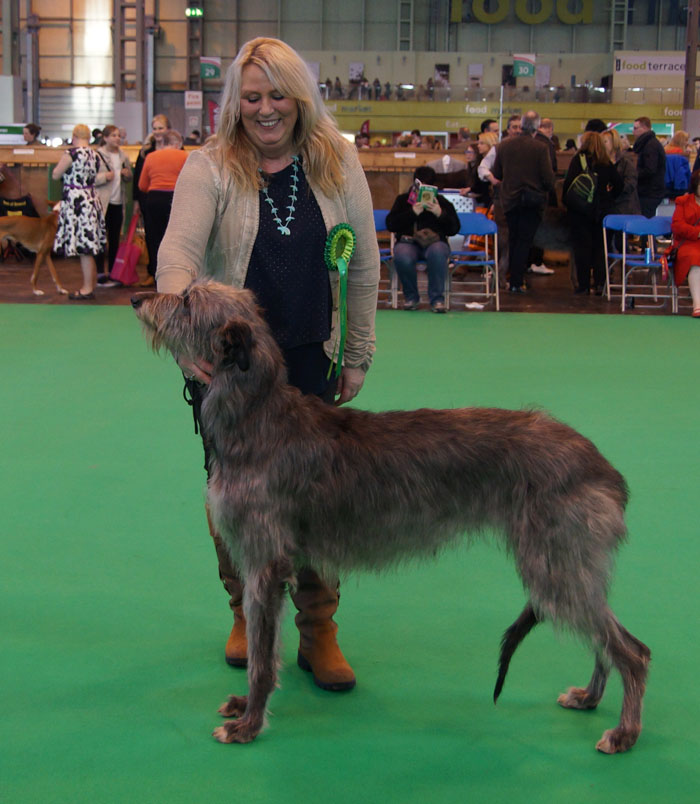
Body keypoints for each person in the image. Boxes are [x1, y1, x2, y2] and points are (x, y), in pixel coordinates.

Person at [156, 37, 379, 692]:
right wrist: (185, 339)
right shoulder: (209, 165)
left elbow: (362, 264)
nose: (265, 109)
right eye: (251, 97)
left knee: (319, 497)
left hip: (312, 356)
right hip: (232, 371)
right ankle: (246, 613)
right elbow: (176, 260)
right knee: (236, 497)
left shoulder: (339, 160)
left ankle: (318, 627)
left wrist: (357, 351)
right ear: (235, 103)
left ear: (300, 96)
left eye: (277, 94)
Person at [492, 111, 555, 294]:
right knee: (524, 241)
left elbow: (497, 173)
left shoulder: (504, 146)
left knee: (513, 239)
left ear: (521, 125)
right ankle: (517, 282)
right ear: (536, 127)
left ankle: (513, 280)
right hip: (532, 201)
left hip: (509, 200)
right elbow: (548, 179)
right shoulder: (540, 148)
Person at [385, 165, 459, 313]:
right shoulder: (402, 200)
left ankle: (437, 300)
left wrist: (440, 213)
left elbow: (454, 229)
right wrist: (412, 212)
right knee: (402, 255)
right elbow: (391, 224)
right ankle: (411, 298)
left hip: (435, 242)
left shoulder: (442, 202)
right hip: (408, 242)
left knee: (438, 253)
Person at [562, 130, 622, 295]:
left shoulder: (578, 161)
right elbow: (619, 184)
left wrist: (569, 205)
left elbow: (568, 186)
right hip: (601, 212)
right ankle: (600, 284)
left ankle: (583, 285)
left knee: (582, 249)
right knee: (600, 249)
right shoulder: (606, 163)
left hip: (580, 213)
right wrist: (609, 196)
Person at [52, 123, 107, 300]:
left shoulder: (71, 154)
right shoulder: (95, 154)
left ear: (74, 136)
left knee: (84, 247)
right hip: (91, 198)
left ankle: (86, 288)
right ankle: (90, 285)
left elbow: (56, 174)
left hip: (76, 201)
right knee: (89, 245)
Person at [138, 129, 188, 287]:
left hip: (154, 199)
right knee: (178, 239)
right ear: (177, 143)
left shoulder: (151, 157)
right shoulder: (185, 156)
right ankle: (178, 275)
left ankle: (155, 274)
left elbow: (142, 185)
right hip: (176, 199)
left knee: (154, 239)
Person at [133, 114, 172, 285]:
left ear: (167, 129)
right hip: (148, 199)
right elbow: (138, 179)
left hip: (171, 200)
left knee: (169, 238)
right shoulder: (145, 151)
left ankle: (170, 274)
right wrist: (136, 201)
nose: (157, 132)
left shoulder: (177, 149)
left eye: (160, 128)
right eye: (155, 128)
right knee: (152, 238)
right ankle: (153, 272)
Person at [95, 124, 133, 285]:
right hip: (103, 202)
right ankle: (99, 274)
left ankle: (113, 272)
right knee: (100, 238)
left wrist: (127, 174)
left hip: (118, 202)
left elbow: (129, 178)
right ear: (104, 138)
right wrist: (105, 177)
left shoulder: (123, 156)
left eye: (118, 135)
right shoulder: (97, 155)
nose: (117, 138)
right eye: (113, 135)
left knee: (115, 238)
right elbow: (91, 179)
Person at [670, 169, 700, 318]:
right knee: (695, 259)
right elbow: (677, 226)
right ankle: (697, 305)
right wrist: (697, 232)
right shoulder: (683, 201)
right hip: (687, 244)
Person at [632, 117, 666, 217]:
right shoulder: (649, 143)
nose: (633, 132)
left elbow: (650, 169)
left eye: (635, 128)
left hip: (649, 192)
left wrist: (633, 175)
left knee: (645, 220)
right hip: (650, 191)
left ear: (645, 128)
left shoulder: (650, 145)